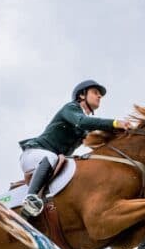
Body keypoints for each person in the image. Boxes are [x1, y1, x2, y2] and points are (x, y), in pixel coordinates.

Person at [18, 79, 131, 217]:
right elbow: (82, 122)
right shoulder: (70, 108)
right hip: (33, 154)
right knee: (52, 157)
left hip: (51, 163)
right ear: (82, 95)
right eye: (95, 92)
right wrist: (114, 123)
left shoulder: (85, 130)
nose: (99, 96)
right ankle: (30, 199)